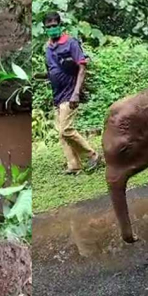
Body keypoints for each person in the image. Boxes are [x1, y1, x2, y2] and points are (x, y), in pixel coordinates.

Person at [43, 12, 101, 175]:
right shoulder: (48, 47)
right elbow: (51, 69)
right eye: (49, 27)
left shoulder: (71, 43)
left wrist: (76, 93)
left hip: (70, 92)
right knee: (62, 134)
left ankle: (93, 155)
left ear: (60, 26)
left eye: (55, 26)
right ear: (45, 29)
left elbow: (82, 68)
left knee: (66, 130)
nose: (52, 29)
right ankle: (74, 165)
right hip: (58, 94)